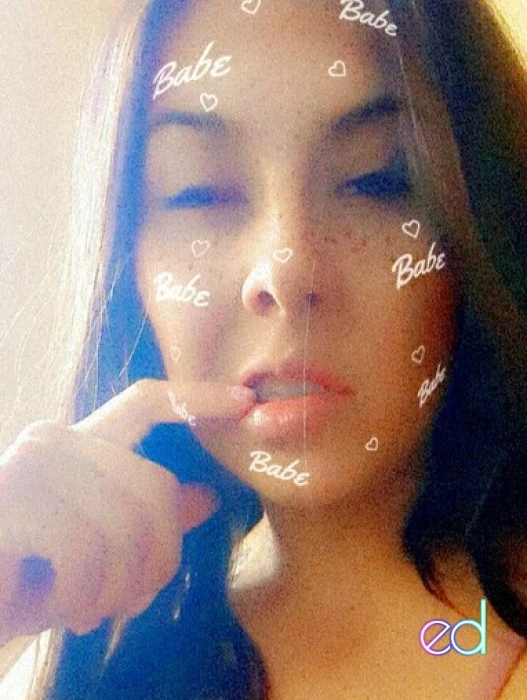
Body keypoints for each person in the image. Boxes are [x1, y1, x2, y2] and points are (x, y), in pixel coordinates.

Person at [0, 0, 526, 697]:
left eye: (377, 179)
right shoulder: (84, 655)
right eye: (198, 192)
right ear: (129, 269)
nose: (286, 269)